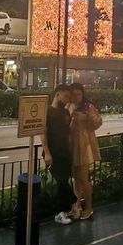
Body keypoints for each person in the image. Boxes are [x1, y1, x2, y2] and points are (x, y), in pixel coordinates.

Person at [41, 84, 76, 224]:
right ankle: (63, 210)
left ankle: (65, 210)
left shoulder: (65, 113)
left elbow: (68, 132)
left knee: (64, 181)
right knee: (61, 181)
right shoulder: (47, 111)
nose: (68, 99)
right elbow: (42, 132)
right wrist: (47, 152)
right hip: (53, 152)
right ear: (57, 94)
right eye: (66, 96)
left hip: (65, 151)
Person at [68, 83, 102, 220]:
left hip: (84, 144)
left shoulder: (88, 107)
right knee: (75, 178)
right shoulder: (68, 106)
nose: (76, 97)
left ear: (82, 95)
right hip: (71, 144)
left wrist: (87, 117)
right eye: (73, 94)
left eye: (78, 94)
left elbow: (98, 122)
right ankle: (77, 206)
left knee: (83, 178)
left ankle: (89, 207)